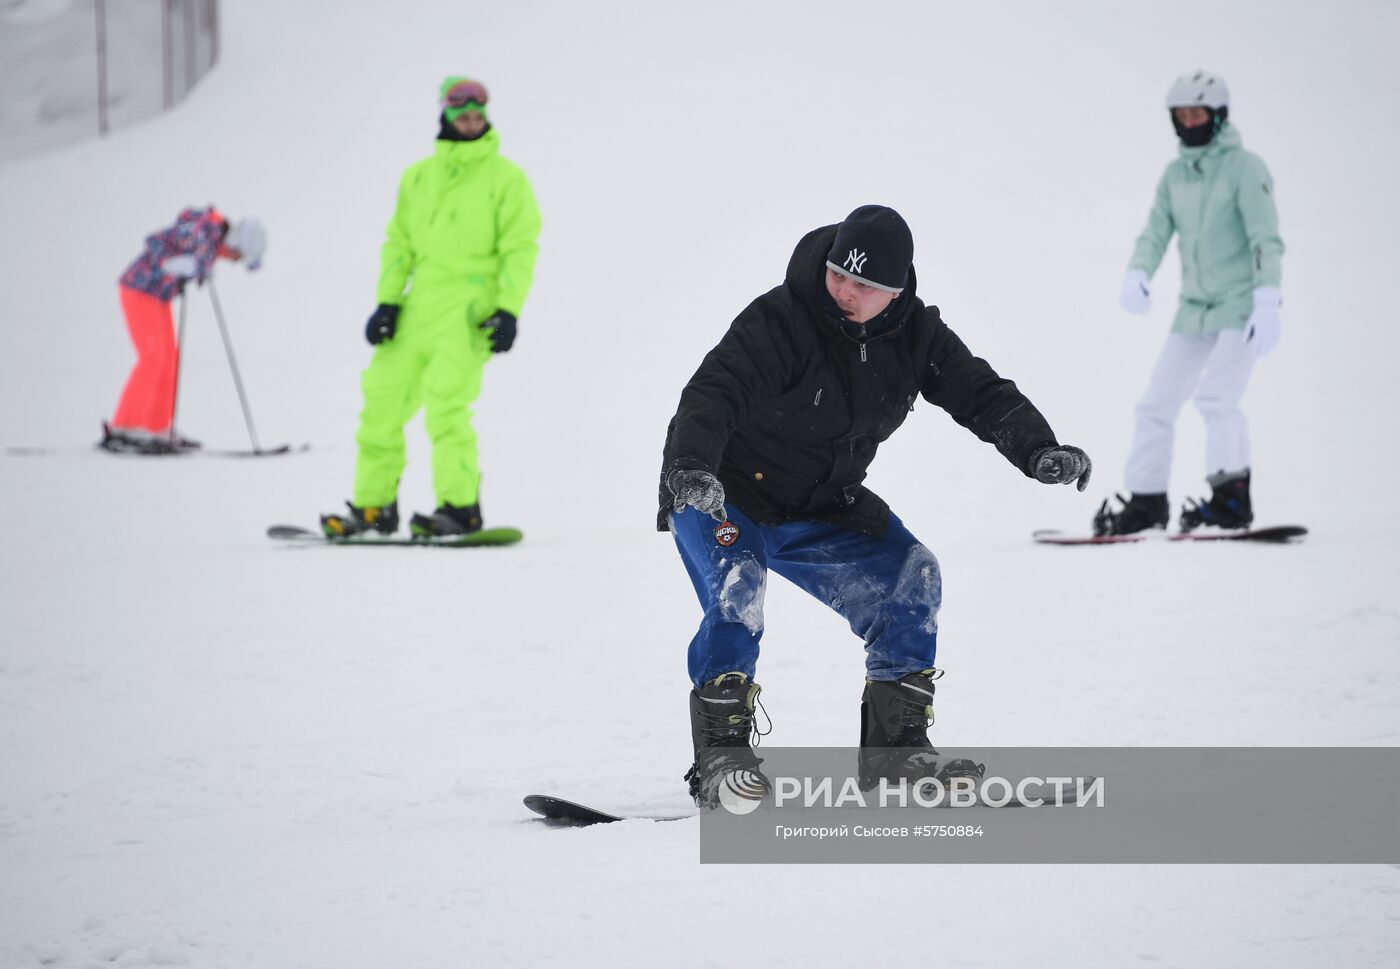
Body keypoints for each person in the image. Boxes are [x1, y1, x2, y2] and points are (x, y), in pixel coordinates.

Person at [659, 204, 1092, 807]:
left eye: (864, 285)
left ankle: (896, 756)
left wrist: (1038, 447)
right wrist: (690, 469)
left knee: (910, 576)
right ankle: (722, 764)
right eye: (839, 274)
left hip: (821, 503)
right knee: (738, 593)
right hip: (722, 493)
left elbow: (978, 390)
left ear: (896, 290)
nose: (844, 291)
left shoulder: (915, 335)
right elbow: (713, 393)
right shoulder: (779, 320)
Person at [321, 76, 541, 538]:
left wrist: (507, 309)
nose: (471, 120)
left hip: (468, 310)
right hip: (417, 307)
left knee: (446, 407)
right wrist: (387, 302)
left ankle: (460, 508)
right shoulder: (418, 177)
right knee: (381, 402)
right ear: (445, 113)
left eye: (478, 113)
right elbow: (398, 245)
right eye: (462, 112)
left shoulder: (506, 178)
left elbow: (520, 248)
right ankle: (373, 507)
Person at [1095, 70, 1284, 536]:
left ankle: (1231, 500)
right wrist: (1139, 270)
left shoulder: (1245, 168)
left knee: (1218, 397)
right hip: (1195, 307)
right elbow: (1156, 230)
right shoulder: (1176, 174)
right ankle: (1146, 502)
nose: (1189, 121)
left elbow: (1266, 238)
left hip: (1241, 305)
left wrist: (1268, 296)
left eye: (1198, 113)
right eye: (1182, 115)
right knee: (1155, 403)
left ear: (1218, 116)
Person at [103, 207, 265, 454]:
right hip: (139, 290)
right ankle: (126, 427)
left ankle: (156, 427)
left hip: (157, 296)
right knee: (153, 358)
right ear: (235, 244)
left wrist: (194, 267)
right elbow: (155, 242)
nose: (234, 261)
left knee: (169, 359)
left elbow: (192, 260)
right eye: (238, 256)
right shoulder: (202, 232)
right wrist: (173, 265)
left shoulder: (210, 243)